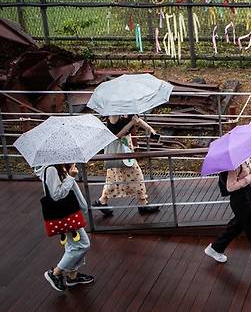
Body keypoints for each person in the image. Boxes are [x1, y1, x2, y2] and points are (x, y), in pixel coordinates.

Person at [204, 160, 251, 270]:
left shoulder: (245, 159)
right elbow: (230, 187)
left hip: (246, 197)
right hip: (239, 200)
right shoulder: (234, 165)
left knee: (237, 225)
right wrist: (249, 178)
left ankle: (216, 248)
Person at [37, 163, 94, 292]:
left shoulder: (60, 165)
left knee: (72, 246)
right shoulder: (51, 169)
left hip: (69, 213)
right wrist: (70, 176)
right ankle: (55, 272)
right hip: (65, 215)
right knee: (83, 245)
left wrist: (68, 173)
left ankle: (72, 276)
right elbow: (56, 195)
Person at [92, 115, 160, 216]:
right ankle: (143, 204)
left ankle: (102, 201)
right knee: (136, 175)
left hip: (126, 147)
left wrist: (150, 130)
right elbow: (117, 135)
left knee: (114, 177)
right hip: (119, 149)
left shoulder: (127, 110)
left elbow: (137, 120)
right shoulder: (114, 115)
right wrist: (131, 123)